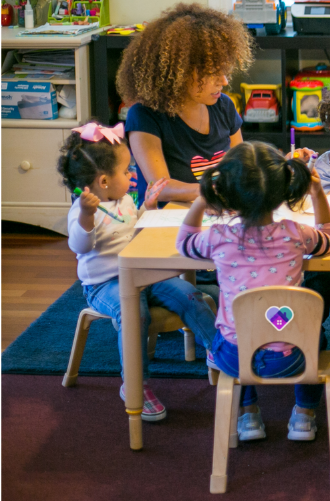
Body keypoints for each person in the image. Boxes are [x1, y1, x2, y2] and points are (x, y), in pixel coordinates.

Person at [176, 142, 330, 443]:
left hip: (234, 358)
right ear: (281, 192)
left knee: (230, 332)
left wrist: (201, 199)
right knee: (319, 335)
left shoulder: (218, 237)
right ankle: (304, 414)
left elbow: (184, 243)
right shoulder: (295, 233)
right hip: (291, 359)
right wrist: (317, 193)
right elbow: (329, 238)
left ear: (225, 192)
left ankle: (248, 414)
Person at [60, 121, 217, 422]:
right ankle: (135, 384)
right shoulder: (82, 213)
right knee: (136, 314)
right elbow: (80, 245)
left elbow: (136, 230)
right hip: (104, 285)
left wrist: (147, 206)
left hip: (140, 272)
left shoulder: (123, 201)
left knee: (191, 295)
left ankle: (218, 350)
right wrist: (86, 216)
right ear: (103, 181)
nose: (132, 174)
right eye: (126, 170)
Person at [118, 4, 254, 207]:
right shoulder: (144, 116)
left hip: (217, 214)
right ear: (179, 74)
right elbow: (160, 187)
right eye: (212, 72)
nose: (224, 81)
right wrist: (215, 190)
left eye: (224, 70)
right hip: (169, 220)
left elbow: (243, 166)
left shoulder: (224, 106)